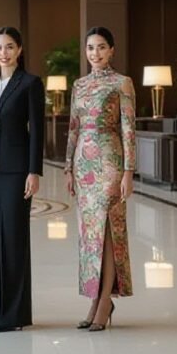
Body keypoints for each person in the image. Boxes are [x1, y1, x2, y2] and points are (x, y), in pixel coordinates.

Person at [65, 26, 136, 332]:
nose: (95, 53)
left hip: (110, 163)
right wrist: (68, 168)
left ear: (112, 51)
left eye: (101, 47)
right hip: (83, 165)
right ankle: (95, 299)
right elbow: (73, 128)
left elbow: (129, 130)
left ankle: (105, 300)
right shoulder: (79, 85)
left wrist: (128, 172)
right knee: (90, 236)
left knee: (107, 232)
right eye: (91, 48)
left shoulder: (123, 83)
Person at [0, 26, 44, 332]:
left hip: (17, 171)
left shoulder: (30, 83)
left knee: (14, 239)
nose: (4, 52)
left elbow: (37, 131)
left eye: (10, 47)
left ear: (20, 50)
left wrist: (34, 171)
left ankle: (16, 315)